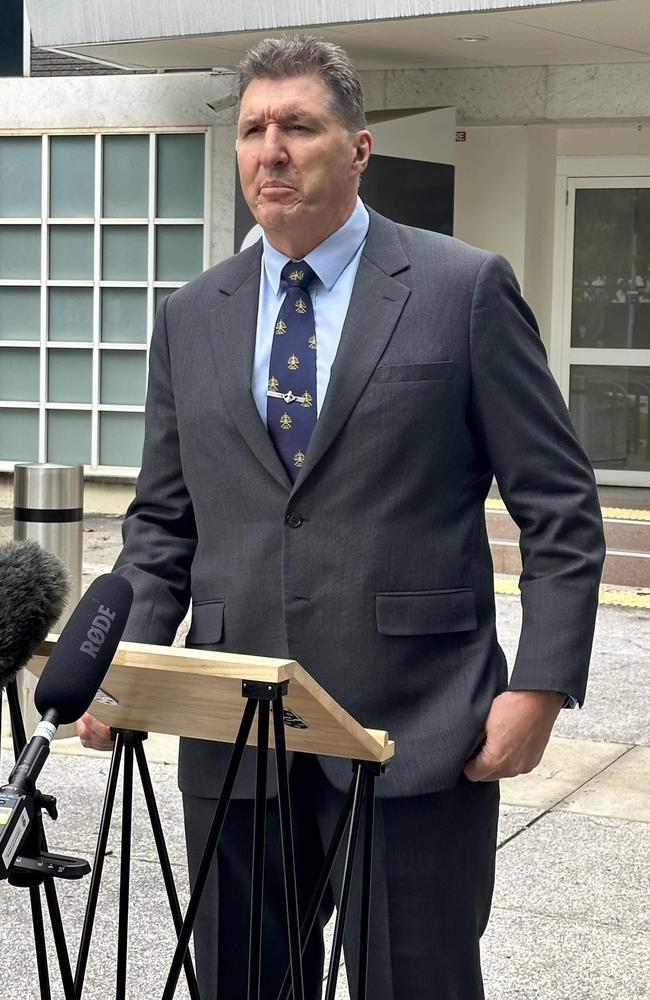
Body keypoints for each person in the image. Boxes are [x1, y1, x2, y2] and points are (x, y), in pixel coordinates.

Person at [78, 36, 605, 1000]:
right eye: (253, 129)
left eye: (299, 126)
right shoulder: (190, 316)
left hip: (416, 730)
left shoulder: (462, 290)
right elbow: (162, 527)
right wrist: (121, 672)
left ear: (359, 148)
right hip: (235, 744)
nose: (271, 150)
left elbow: (561, 510)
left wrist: (541, 687)